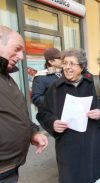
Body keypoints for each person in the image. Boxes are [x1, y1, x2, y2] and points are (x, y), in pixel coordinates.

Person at [36, 48, 100, 183]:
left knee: (99, 177)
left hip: (95, 143)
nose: (67, 67)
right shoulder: (55, 88)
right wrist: (52, 123)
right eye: (65, 63)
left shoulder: (96, 82)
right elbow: (42, 113)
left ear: (82, 66)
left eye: (72, 64)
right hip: (68, 147)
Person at [0, 25, 48, 182]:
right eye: (17, 48)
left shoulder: (6, 77)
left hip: (10, 168)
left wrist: (33, 132)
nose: (21, 56)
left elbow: (16, 113)